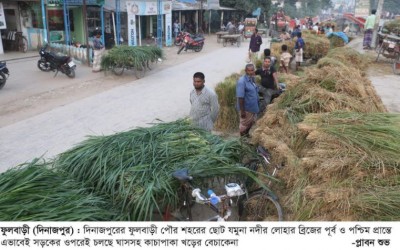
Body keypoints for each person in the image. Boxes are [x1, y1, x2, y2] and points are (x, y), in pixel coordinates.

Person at [236, 64, 259, 137]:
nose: (251, 72)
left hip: (252, 107)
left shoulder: (252, 79)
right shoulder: (242, 81)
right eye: (249, 70)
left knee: (250, 123)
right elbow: (240, 97)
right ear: (245, 71)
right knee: (244, 124)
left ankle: (246, 135)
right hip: (246, 108)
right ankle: (242, 139)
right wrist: (242, 111)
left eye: (252, 70)